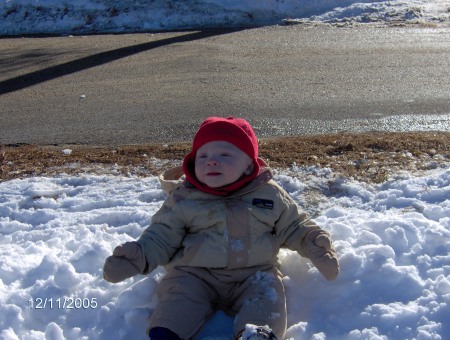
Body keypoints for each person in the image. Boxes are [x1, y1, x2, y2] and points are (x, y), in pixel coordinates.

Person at [103, 116, 339, 340]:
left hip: (253, 273)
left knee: (266, 296)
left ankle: (256, 334)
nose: (212, 160)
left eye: (225, 154)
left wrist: (315, 243)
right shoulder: (184, 199)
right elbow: (162, 237)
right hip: (194, 273)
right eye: (203, 156)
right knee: (178, 297)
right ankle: (167, 334)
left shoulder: (269, 194)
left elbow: (294, 225)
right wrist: (138, 256)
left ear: (249, 165)